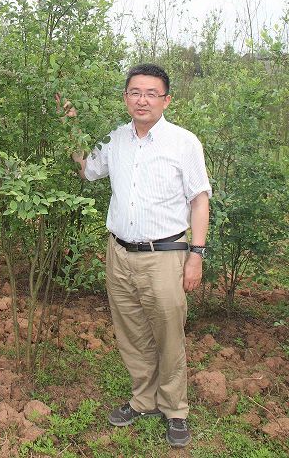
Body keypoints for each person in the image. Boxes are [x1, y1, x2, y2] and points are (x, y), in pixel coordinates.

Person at [64, 63, 211, 448]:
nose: (141, 99)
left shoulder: (183, 142)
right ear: (125, 97)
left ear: (166, 99)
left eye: (150, 93)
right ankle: (143, 400)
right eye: (134, 92)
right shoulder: (116, 140)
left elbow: (199, 201)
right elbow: (87, 171)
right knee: (131, 333)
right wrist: (72, 128)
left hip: (165, 256)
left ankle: (175, 408)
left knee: (168, 334)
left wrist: (196, 254)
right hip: (120, 253)